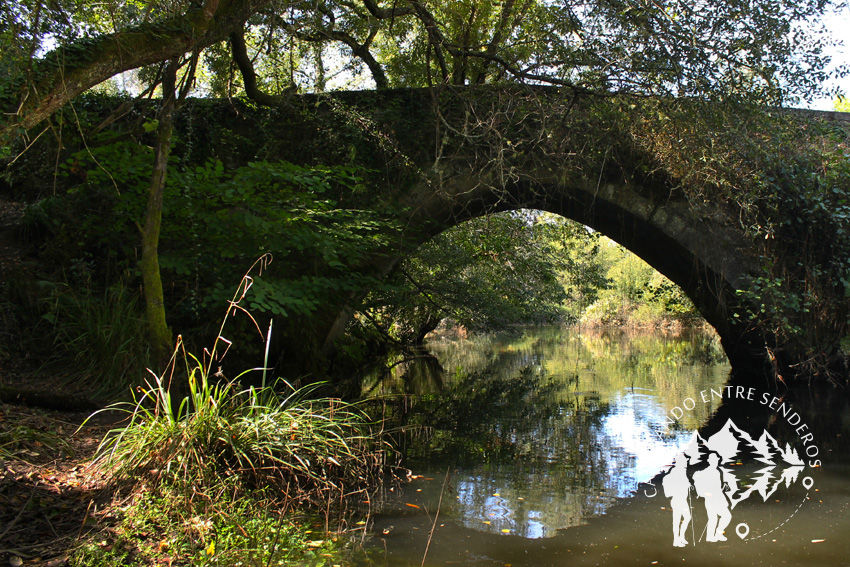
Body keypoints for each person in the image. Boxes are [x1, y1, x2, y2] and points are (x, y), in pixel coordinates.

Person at [692, 452, 732, 542]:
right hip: (711, 499)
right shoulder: (706, 472)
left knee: (724, 516)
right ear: (709, 461)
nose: (715, 462)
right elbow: (701, 488)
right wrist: (707, 494)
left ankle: (715, 535)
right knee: (715, 518)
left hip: (719, 498)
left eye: (716, 460)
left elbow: (717, 487)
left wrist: (724, 486)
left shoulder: (718, 471)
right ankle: (712, 537)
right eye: (713, 460)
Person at [662, 454, 693, 547]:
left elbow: (685, 483)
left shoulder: (682, 471)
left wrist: (688, 485)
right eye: (684, 461)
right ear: (680, 462)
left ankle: (681, 537)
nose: (686, 463)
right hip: (677, 499)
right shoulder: (675, 472)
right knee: (677, 520)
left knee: (687, 517)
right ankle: (676, 540)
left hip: (683, 500)